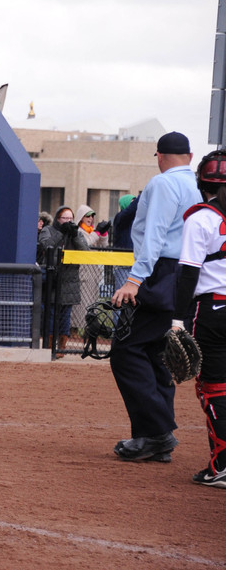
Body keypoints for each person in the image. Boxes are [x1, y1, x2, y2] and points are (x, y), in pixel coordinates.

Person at [109, 131, 202, 463]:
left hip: (159, 273)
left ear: (160, 157)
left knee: (125, 350)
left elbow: (155, 234)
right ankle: (154, 439)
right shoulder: (195, 185)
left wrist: (134, 279)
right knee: (156, 355)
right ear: (189, 157)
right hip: (186, 275)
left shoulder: (163, 183)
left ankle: (156, 433)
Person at [173, 149, 226, 487]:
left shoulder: (202, 218)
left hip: (213, 311)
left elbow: (188, 275)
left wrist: (177, 320)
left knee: (214, 388)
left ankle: (221, 465)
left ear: (200, 182)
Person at [38, 205, 89, 355]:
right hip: (53, 280)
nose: (68, 221)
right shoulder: (49, 230)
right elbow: (47, 245)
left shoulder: (77, 233)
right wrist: (61, 233)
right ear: (58, 219)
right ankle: (49, 346)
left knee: (65, 316)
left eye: (70, 219)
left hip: (70, 280)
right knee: (51, 314)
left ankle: (61, 347)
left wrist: (74, 235)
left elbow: (85, 252)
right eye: (64, 218)